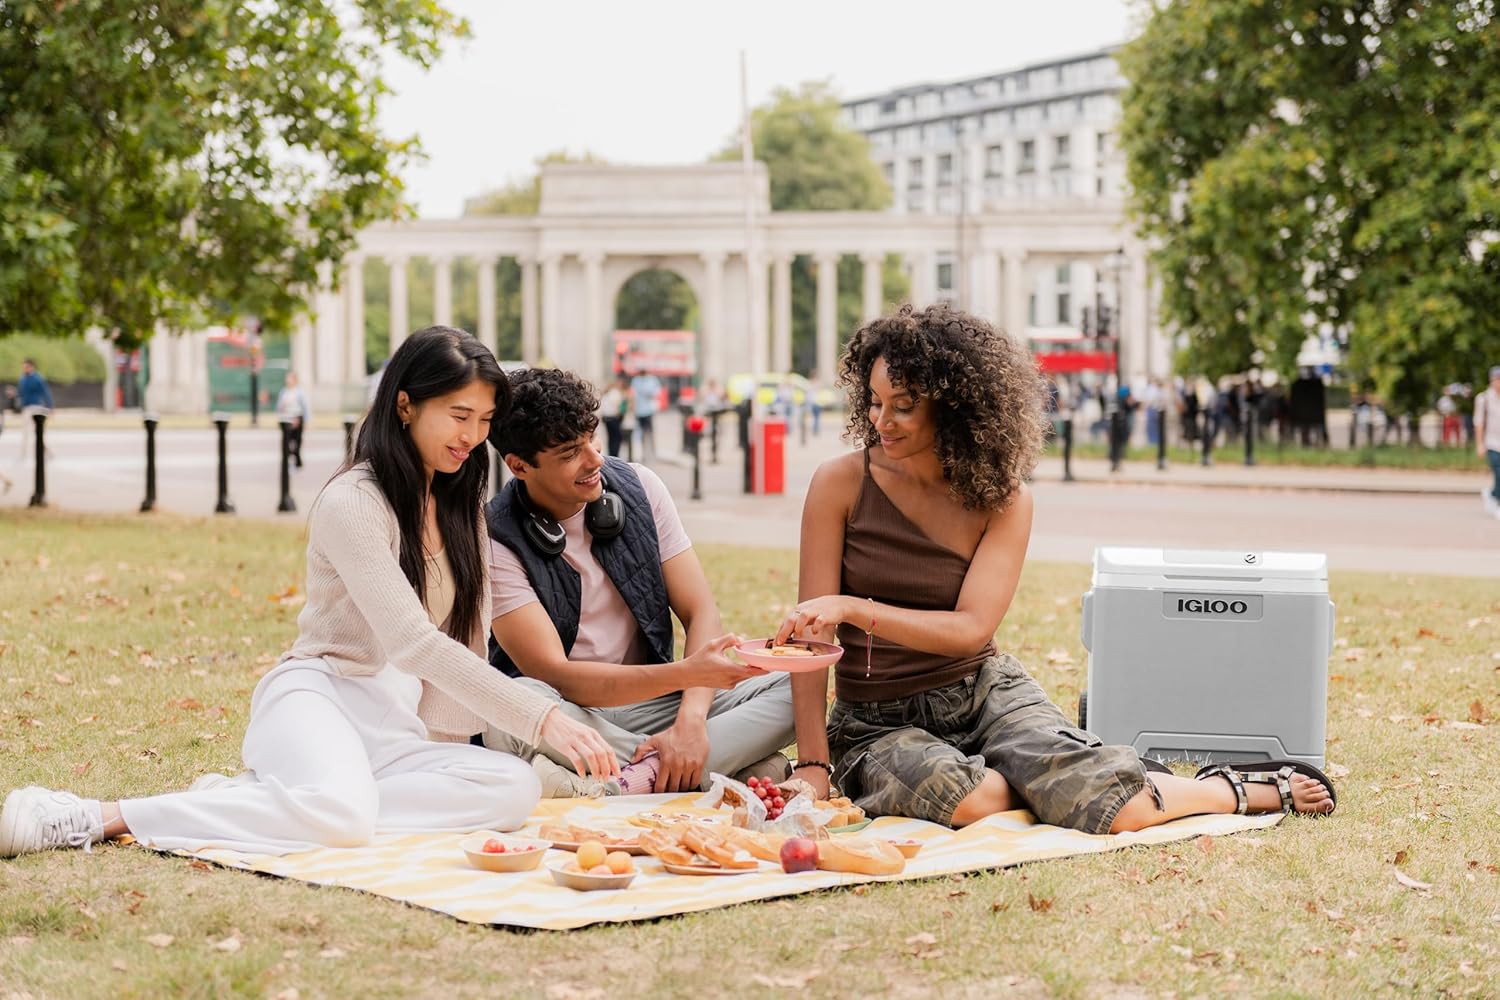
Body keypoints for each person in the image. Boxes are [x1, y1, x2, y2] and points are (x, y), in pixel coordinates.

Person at [0, 327, 617, 859]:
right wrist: (544, 719)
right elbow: (412, 642)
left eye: (484, 422)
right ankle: (103, 815)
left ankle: (259, 802)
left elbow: (464, 638)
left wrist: (445, 750)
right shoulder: (354, 500)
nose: (472, 436)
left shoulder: (462, 510)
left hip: (390, 725)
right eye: (459, 416)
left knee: (511, 788)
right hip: (316, 697)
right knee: (344, 820)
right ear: (406, 405)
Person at [774, 304, 1336, 834]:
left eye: (902, 405)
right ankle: (1054, 785)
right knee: (974, 799)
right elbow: (807, 646)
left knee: (1120, 810)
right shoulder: (841, 483)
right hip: (877, 720)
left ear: (951, 406)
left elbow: (970, 630)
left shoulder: (1003, 498)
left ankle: (1232, 790)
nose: (881, 420)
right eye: (873, 402)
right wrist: (815, 763)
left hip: (982, 691)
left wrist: (851, 610)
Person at [481, 368, 795, 797]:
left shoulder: (642, 486)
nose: (595, 460)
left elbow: (701, 610)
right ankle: (714, 771)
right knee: (512, 705)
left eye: (593, 438)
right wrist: (685, 672)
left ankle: (625, 782)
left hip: (655, 700)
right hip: (572, 715)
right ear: (519, 466)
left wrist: (691, 720)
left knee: (799, 686)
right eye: (572, 452)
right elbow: (556, 674)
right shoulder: (494, 538)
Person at [275, 371, 312, 468]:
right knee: (286, 442)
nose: (287, 380)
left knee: (297, 441)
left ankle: (297, 460)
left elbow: (305, 407)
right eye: (287, 378)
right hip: (285, 419)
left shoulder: (300, 392)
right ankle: (286, 461)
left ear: (295, 380)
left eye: (289, 378)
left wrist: (306, 420)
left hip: (297, 418)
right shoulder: (284, 391)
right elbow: (279, 406)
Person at [1478, 365, 1500, 520]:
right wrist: (1480, 444)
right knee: (1499, 471)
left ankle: (1492, 494)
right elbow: (1479, 423)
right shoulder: (1483, 398)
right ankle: (1498, 502)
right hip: (1492, 442)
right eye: (1496, 379)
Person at [629, 369, 662, 463]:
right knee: (641, 433)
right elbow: (633, 394)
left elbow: (656, 392)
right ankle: (643, 453)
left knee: (650, 433)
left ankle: (652, 453)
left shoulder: (652, 380)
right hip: (639, 411)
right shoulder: (636, 380)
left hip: (649, 410)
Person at [598, 376, 628, 458]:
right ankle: (615, 455)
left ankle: (611, 454)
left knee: (610, 437)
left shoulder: (605, 394)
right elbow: (617, 405)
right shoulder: (615, 393)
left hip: (606, 418)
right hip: (614, 418)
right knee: (617, 438)